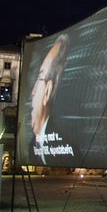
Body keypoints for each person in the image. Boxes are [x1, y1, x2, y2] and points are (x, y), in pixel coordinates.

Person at [29, 34, 69, 165]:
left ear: (47, 91)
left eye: (39, 79)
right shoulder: (32, 147)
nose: (32, 92)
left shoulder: (67, 145)